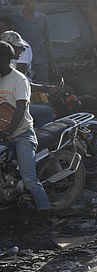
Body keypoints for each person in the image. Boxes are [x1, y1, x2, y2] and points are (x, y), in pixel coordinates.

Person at [0, 40, 50, 213]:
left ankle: (46, 212)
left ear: (6, 59)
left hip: (22, 134)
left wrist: (8, 131)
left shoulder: (19, 80)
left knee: (29, 179)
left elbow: (21, 109)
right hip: (3, 134)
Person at [11, 0, 57, 83]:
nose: (32, 5)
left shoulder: (42, 18)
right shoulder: (15, 18)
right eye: (30, 2)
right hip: (22, 62)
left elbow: (47, 40)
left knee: (43, 89)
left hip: (40, 61)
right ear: (24, 3)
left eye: (34, 2)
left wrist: (53, 61)